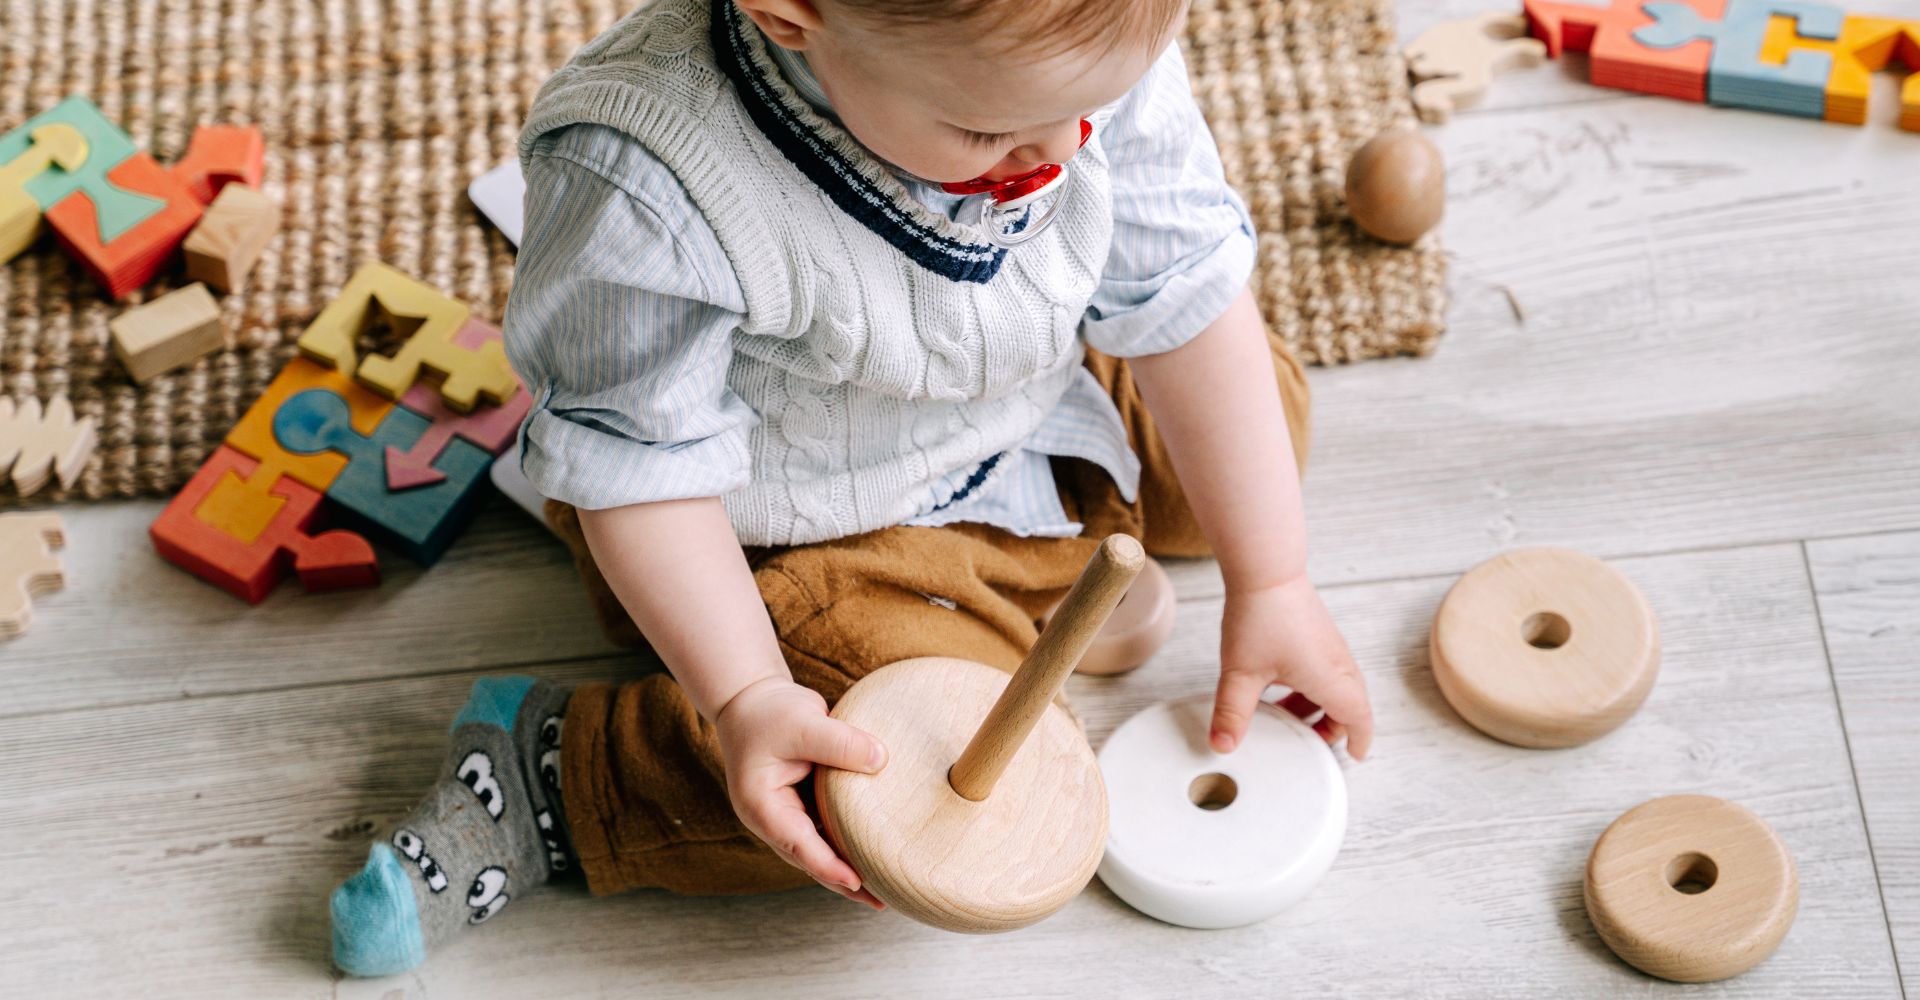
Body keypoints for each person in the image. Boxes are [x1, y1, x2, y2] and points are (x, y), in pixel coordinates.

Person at [329, 0, 1372, 976]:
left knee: (1261, 417)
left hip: (1024, 395)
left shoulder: (1074, 42)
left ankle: (1046, 560)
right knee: (878, 780)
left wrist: (1273, 577)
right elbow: (638, 472)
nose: (1060, 151)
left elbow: (1180, 282)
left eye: (1092, 107)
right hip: (787, 527)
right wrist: (743, 696)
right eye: (989, 132)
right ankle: (553, 773)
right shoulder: (645, 177)